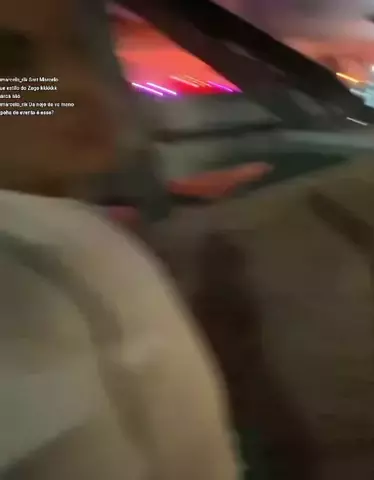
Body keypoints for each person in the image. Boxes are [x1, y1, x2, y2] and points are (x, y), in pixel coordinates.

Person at [0, 2, 265, 478]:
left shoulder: (68, 233)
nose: (76, 85)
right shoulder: (27, 268)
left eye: (77, 48)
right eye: (8, 63)